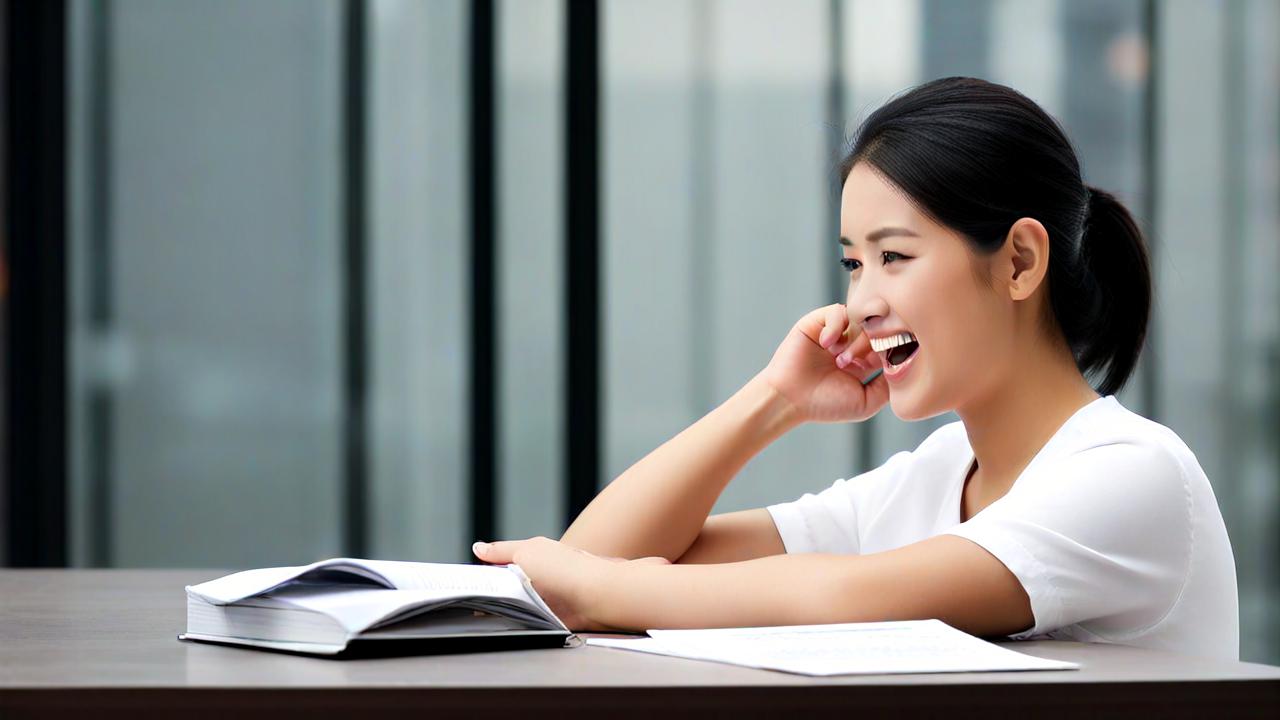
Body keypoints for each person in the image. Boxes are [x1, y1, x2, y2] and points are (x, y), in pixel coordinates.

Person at [471, 76, 1239, 661]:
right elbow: (585, 563)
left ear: (1019, 261)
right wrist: (774, 401)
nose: (862, 301)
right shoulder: (935, 476)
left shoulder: (1129, 472)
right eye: (852, 263)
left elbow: (839, 597)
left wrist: (598, 589)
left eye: (894, 257)